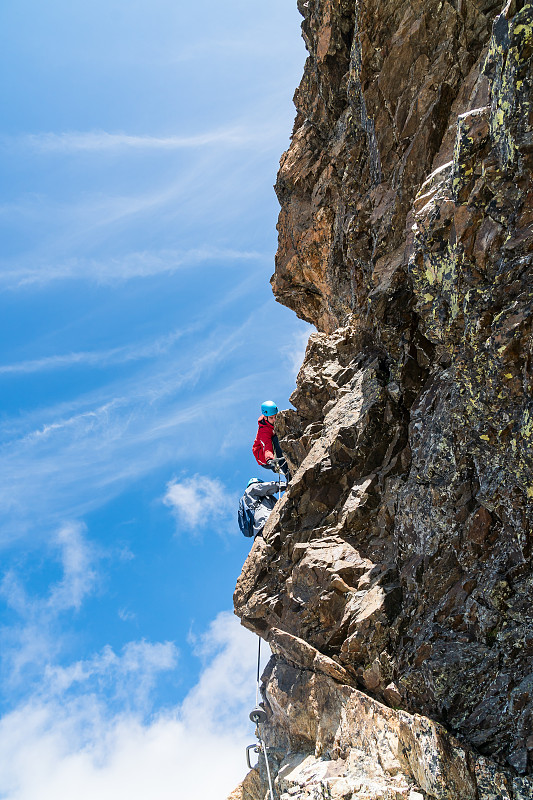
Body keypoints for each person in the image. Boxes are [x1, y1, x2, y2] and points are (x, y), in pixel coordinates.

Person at [252, 401, 291, 480]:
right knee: (276, 439)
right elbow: (267, 445)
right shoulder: (263, 431)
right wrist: (270, 459)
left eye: (275, 416)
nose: (274, 420)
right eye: (271, 418)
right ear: (265, 417)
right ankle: (288, 474)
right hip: (263, 456)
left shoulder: (276, 420)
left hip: (270, 450)